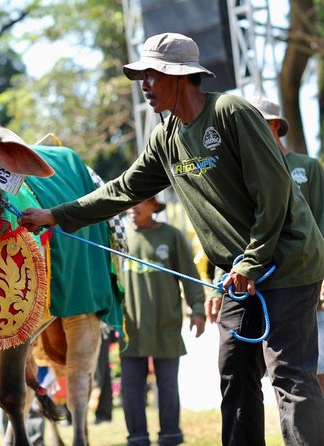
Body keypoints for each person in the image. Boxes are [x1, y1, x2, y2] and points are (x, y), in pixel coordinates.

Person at [18, 32, 324, 445]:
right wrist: (55, 214)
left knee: (288, 375)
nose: (144, 84)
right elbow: (122, 190)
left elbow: (274, 193)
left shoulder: (231, 112)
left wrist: (252, 261)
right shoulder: (166, 137)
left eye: (151, 75)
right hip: (239, 274)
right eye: (141, 76)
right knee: (234, 373)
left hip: (286, 262)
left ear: (180, 77)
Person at [247, 96, 324, 393]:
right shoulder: (250, 172)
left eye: (258, 124)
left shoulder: (307, 167)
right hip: (268, 280)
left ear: (275, 125)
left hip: (308, 276)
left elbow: (320, 220)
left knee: (315, 365)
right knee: (281, 369)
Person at [119, 196, 205, 446]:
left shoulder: (171, 235)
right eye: (130, 204)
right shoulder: (119, 235)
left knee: (167, 384)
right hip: (130, 326)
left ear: (154, 206)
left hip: (165, 322)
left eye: (140, 203)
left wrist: (197, 308)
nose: (132, 209)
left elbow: (189, 275)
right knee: (130, 387)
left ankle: (170, 435)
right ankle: (137, 437)